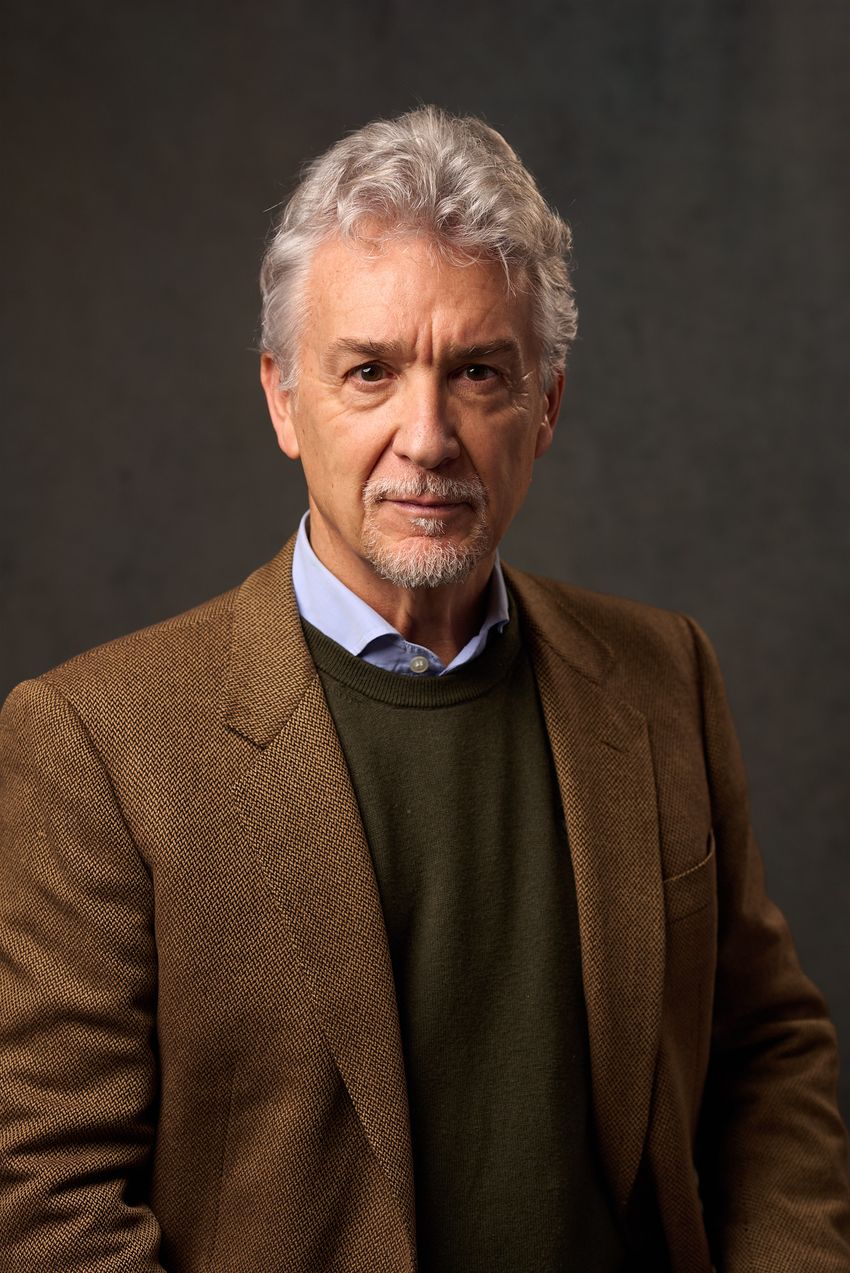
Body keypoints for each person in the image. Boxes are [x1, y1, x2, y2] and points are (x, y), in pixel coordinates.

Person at [0, 106, 847, 1273]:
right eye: (369, 371)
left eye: (478, 372)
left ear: (543, 404)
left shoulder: (663, 678)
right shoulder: (97, 741)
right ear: (283, 400)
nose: (428, 435)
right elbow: (48, 1198)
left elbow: (766, 1054)